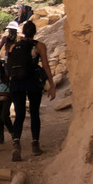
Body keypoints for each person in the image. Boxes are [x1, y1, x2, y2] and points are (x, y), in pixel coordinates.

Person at [9, 21, 56, 161]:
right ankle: (35, 144)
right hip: (33, 82)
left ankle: (16, 143)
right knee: (34, 113)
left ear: (23, 32)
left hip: (16, 83)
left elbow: (10, 68)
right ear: (35, 32)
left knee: (19, 114)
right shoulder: (39, 46)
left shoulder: (13, 46)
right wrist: (52, 85)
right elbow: (46, 66)